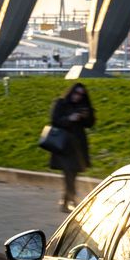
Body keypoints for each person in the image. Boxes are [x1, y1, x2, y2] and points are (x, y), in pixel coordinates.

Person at [49, 83, 96, 212]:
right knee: (69, 173)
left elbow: (90, 124)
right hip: (64, 145)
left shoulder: (83, 106)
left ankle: (66, 201)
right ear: (71, 92)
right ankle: (71, 201)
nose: (78, 96)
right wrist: (70, 118)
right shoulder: (61, 103)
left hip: (77, 147)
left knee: (72, 174)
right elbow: (54, 120)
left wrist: (87, 116)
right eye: (76, 93)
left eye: (81, 94)